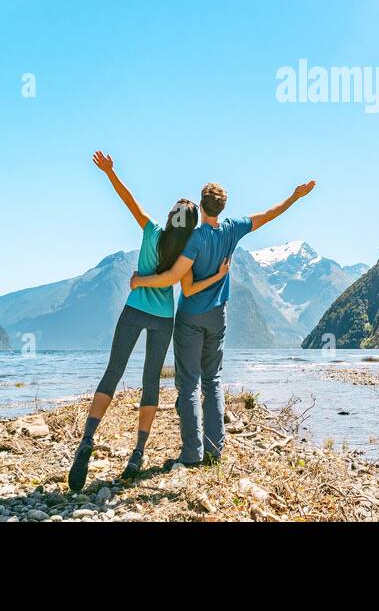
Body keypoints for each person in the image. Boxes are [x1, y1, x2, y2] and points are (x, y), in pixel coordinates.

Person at [67, 151, 230, 493]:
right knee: (151, 380)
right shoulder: (188, 246)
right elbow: (182, 284)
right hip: (163, 319)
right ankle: (138, 453)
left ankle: (87, 438)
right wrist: (217, 276)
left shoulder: (151, 230)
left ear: (170, 216)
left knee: (113, 371)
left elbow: (128, 199)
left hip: (134, 310)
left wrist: (111, 172)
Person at [131, 178, 315, 467]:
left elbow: (187, 288)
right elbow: (267, 215)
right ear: (222, 207)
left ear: (201, 205)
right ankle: (215, 450)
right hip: (218, 317)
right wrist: (294, 197)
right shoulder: (232, 230)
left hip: (191, 317)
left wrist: (140, 281)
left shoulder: (192, 239)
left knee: (190, 385)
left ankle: (192, 453)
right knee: (213, 380)